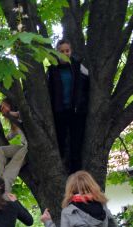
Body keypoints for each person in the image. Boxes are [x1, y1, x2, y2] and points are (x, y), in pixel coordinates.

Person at [47, 39, 89, 173]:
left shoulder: (78, 67)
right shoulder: (52, 70)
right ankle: (60, 173)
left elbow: (88, 85)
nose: (65, 53)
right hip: (60, 112)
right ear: (57, 53)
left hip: (76, 112)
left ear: (70, 51)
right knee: (60, 144)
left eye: (67, 51)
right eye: (61, 51)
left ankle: (76, 176)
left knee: (76, 146)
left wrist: (83, 104)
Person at [0, 98, 28, 194]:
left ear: (10, 104)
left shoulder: (21, 113)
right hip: (23, 147)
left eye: (4, 106)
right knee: (0, 150)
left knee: (8, 172)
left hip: (30, 149)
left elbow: (22, 114)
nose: (2, 109)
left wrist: (10, 113)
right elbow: (12, 134)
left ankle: (3, 193)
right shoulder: (13, 122)